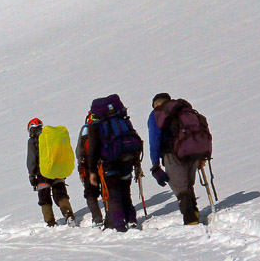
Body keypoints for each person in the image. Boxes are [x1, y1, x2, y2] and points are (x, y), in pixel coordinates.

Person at [85, 95, 141, 232]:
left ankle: (119, 226)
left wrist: (92, 170)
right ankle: (132, 221)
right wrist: (137, 163)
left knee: (114, 196)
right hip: (127, 161)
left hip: (110, 164)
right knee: (126, 194)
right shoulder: (123, 120)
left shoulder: (96, 126)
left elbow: (93, 149)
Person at [147, 92, 202, 225]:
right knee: (188, 185)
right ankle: (194, 213)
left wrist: (155, 164)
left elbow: (154, 140)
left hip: (171, 154)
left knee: (180, 189)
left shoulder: (156, 114)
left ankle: (191, 220)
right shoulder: (183, 110)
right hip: (192, 152)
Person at [26, 118, 77, 226]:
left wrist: (31, 175)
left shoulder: (32, 141)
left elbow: (31, 160)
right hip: (56, 170)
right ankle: (68, 215)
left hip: (42, 174)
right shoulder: (50, 136)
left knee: (44, 199)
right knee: (61, 194)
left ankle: (51, 222)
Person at [76, 114, 105, 227]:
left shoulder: (85, 130)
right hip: (104, 164)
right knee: (107, 191)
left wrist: (80, 166)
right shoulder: (105, 127)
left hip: (88, 166)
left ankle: (97, 218)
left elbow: (79, 150)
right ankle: (112, 216)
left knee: (90, 194)